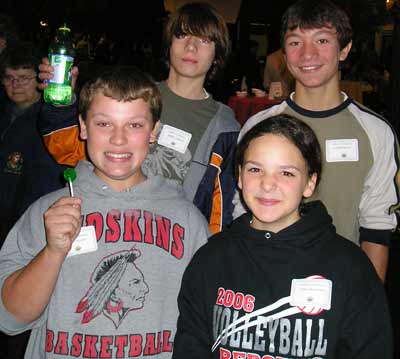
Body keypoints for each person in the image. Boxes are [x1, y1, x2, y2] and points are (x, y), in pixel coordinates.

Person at [0, 66, 209, 358]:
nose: (118, 139)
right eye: (104, 124)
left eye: (134, 125)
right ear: (83, 127)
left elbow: (205, 324)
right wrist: (52, 251)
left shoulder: (189, 221)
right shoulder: (46, 212)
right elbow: (10, 319)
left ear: (154, 131)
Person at [173, 114, 392, 358]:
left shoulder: (350, 268)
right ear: (240, 176)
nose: (268, 184)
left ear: (310, 183)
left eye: (286, 173)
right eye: (255, 169)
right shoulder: (210, 259)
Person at [235, 0, 400, 282]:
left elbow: (377, 229)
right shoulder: (258, 127)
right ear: (284, 53)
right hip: (266, 280)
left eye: (322, 40)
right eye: (295, 42)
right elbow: (242, 216)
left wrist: (367, 305)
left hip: (342, 286)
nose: (307, 54)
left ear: (344, 49)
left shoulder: (375, 131)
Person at [37, 2, 239, 224]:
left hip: (173, 240)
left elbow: (221, 209)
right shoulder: (131, 95)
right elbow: (65, 147)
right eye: (182, 35)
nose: (191, 47)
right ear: (169, 43)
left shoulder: (224, 126)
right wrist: (60, 101)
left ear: (217, 54)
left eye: (204, 40)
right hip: (106, 223)